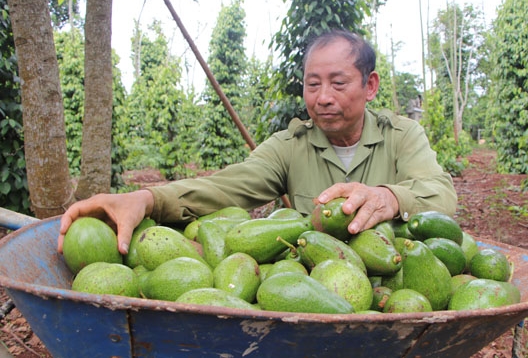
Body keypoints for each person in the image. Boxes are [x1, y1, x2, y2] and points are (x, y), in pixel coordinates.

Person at [58, 29, 457, 255]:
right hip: (310, 288)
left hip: (394, 278)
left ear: (369, 86)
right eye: (312, 84)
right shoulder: (291, 145)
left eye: (338, 83)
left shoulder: (402, 135)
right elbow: (225, 186)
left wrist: (388, 198)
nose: (322, 97)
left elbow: (440, 196)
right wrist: (147, 199)